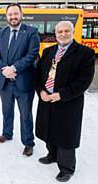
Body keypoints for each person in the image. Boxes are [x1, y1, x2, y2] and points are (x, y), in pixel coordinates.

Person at [35, 21, 95, 182]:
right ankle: (52, 155)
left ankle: (67, 167)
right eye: (59, 31)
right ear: (55, 34)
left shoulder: (85, 53)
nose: (62, 34)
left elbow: (84, 81)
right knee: (49, 129)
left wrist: (61, 95)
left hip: (68, 102)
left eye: (66, 31)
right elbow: (38, 75)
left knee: (66, 135)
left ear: (73, 32)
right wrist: (41, 91)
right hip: (46, 99)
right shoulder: (48, 52)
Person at [0, 3, 40, 156]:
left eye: (15, 14)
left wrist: (13, 69)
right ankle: (7, 133)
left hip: (23, 82)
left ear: (21, 14)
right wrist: (5, 70)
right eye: (10, 14)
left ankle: (28, 142)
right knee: (6, 110)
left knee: (25, 114)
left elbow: (32, 55)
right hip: (4, 81)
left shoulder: (31, 32)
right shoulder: (1, 33)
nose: (13, 17)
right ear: (6, 17)